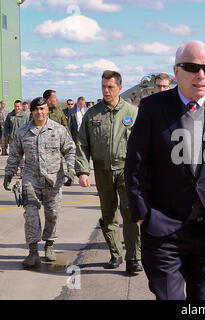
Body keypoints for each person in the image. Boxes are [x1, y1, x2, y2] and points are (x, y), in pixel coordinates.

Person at [124, 41, 205, 300]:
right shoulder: (152, 108)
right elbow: (135, 166)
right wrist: (143, 214)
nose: (201, 75)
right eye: (192, 67)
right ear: (176, 71)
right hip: (164, 231)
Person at [75, 70, 143, 274]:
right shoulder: (92, 114)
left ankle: (133, 258)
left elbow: (143, 145)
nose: (106, 90)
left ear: (119, 88)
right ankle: (115, 254)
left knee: (130, 214)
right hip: (102, 171)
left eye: (110, 87)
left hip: (127, 170)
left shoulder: (132, 112)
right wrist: (83, 171)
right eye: (103, 86)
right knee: (108, 215)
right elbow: (82, 144)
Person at [3, 97, 75, 267]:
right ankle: (33, 251)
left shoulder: (58, 130)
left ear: (47, 110)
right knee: (30, 215)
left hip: (53, 179)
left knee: (53, 214)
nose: (39, 112)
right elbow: (15, 154)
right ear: (32, 111)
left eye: (42, 109)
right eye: (36, 109)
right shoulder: (23, 131)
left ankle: (49, 245)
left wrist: (71, 171)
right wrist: (9, 173)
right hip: (30, 179)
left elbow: (70, 150)